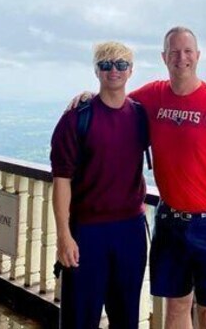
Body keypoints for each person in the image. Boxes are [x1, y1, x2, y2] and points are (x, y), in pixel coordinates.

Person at [71, 27, 206, 329]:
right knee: (176, 308)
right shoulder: (153, 96)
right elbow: (115, 100)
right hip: (171, 223)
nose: (181, 58)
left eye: (187, 51)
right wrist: (89, 96)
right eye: (174, 52)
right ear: (164, 57)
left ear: (198, 56)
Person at [50, 42, 149, 329]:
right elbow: (61, 180)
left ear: (131, 71)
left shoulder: (140, 116)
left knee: (126, 318)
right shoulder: (77, 117)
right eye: (105, 65)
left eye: (121, 64)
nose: (113, 70)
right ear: (96, 71)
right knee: (79, 319)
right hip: (87, 231)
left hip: (130, 231)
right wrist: (64, 235)